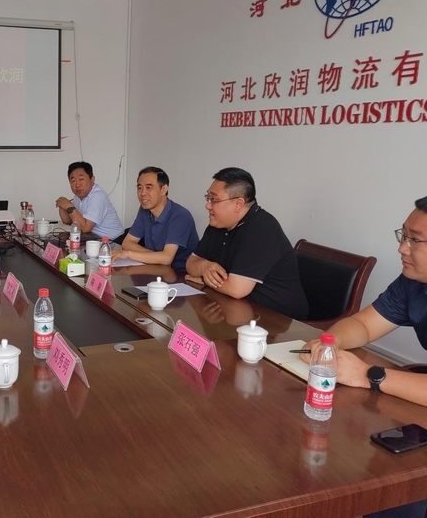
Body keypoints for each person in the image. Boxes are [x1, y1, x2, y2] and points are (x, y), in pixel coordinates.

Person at [301, 197, 427, 518]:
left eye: (415, 240)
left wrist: (368, 375)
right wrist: (330, 345)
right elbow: (364, 324)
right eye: (403, 235)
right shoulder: (413, 282)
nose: (402, 248)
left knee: (397, 496)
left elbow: (369, 372)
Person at [186, 167, 307, 319]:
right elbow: (191, 264)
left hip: (278, 319)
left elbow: (236, 289)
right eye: (207, 198)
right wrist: (204, 267)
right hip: (236, 308)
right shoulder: (217, 224)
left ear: (238, 204)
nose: (208, 206)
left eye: (214, 199)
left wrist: (204, 279)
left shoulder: (261, 228)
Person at [112, 166, 199, 269]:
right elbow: (127, 243)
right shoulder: (145, 210)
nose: (142, 193)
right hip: (156, 268)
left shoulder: (180, 216)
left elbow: (166, 259)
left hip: (179, 273)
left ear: (163, 190)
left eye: (149, 187)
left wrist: (128, 254)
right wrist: (156, 257)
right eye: (139, 188)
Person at [55, 161, 123, 240]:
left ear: (92, 179)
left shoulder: (97, 196)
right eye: (73, 181)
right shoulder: (77, 197)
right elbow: (69, 221)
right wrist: (62, 205)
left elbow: (86, 228)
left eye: (81, 179)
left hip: (114, 241)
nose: (77, 184)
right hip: (93, 238)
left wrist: (68, 206)